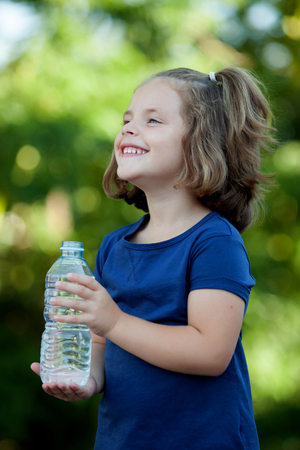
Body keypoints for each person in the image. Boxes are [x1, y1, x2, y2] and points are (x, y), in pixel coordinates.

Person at [31, 67, 276, 449]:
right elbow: (99, 346)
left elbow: (211, 352)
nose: (128, 128)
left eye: (152, 120)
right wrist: (84, 380)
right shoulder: (114, 246)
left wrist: (113, 321)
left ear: (199, 143)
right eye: (127, 120)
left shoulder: (214, 241)